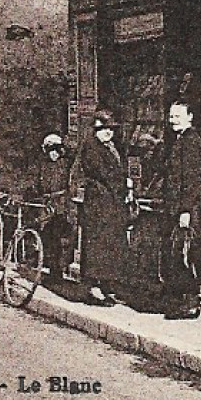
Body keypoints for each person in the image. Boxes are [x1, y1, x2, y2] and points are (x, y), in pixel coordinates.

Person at [158, 100, 201, 320]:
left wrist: (186, 211)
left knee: (188, 255)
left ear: (190, 117)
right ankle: (181, 300)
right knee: (178, 254)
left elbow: (192, 180)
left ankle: (190, 302)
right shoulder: (180, 140)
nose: (172, 120)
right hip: (179, 209)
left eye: (177, 116)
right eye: (171, 116)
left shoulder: (191, 143)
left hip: (190, 211)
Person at [73, 109, 129, 307]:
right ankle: (93, 288)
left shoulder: (112, 147)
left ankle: (106, 286)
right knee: (97, 246)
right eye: (104, 129)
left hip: (112, 204)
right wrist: (123, 184)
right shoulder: (92, 147)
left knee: (109, 246)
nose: (108, 132)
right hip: (99, 204)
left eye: (111, 129)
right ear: (96, 130)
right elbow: (104, 174)